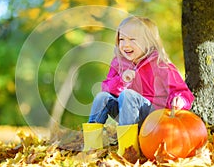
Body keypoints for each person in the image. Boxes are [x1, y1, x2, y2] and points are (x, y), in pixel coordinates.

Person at [82, 16, 195, 157]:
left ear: (149, 42)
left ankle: (129, 150)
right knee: (102, 97)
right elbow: (106, 88)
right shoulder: (119, 63)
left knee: (127, 95)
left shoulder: (161, 64)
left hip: (154, 117)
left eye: (132, 40)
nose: (125, 44)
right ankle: (91, 149)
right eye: (121, 39)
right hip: (127, 113)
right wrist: (122, 80)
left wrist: (179, 100)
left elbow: (182, 92)